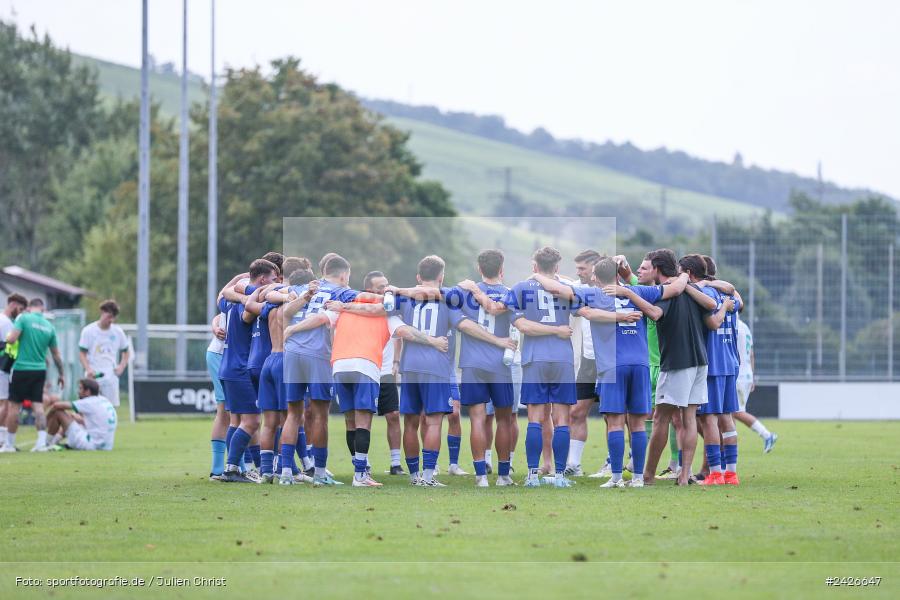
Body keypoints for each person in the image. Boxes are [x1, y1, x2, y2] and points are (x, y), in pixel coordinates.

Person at [588, 257, 686, 488]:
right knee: (639, 424)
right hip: (640, 364)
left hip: (612, 365)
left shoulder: (591, 295)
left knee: (614, 423)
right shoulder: (639, 291)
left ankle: (615, 478)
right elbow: (675, 289)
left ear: (597, 277)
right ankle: (639, 478)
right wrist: (684, 274)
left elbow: (563, 293)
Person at [506, 246, 584, 488]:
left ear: (534, 266)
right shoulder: (567, 289)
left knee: (534, 419)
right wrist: (558, 329)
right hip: (562, 359)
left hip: (535, 358)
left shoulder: (520, 288)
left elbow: (524, 327)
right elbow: (583, 310)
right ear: (557, 267)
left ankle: (532, 476)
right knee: (562, 419)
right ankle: (559, 476)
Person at [384, 255, 463, 487]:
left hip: (409, 364)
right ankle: (429, 476)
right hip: (437, 365)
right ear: (441, 276)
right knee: (434, 422)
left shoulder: (404, 299)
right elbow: (460, 324)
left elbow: (382, 309)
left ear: (418, 277)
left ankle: (413, 476)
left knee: (410, 422)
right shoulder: (449, 298)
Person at [641, 250, 717, 486]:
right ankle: (684, 475)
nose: (640, 271)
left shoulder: (666, 293)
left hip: (677, 362)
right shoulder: (693, 291)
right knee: (689, 417)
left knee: (660, 417)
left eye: (645, 267)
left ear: (657, 269)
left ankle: (648, 476)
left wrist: (630, 297)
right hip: (699, 361)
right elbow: (712, 310)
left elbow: (655, 314)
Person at [283, 255, 359, 486]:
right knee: (320, 416)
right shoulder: (342, 292)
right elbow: (371, 299)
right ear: (344, 275)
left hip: (291, 352)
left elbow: (280, 300)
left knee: (293, 414)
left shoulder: (301, 286)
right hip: (317, 355)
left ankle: (286, 474)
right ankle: (320, 474)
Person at [451, 250, 520, 486]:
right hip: (500, 364)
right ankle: (503, 475)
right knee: (504, 420)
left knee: (477, 419)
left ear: (479, 269)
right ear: (502, 268)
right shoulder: (511, 294)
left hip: (472, 363)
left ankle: (481, 476)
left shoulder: (464, 292)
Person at [217, 259, 278, 483]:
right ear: (262, 279)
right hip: (241, 368)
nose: (275, 282)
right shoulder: (248, 303)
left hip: (228, 366)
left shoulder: (230, 302)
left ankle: (235, 467)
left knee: (237, 422)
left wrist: (239, 282)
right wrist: (251, 294)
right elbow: (248, 314)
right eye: (273, 278)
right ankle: (232, 469)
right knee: (252, 422)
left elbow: (222, 294)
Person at [1, 298, 65, 453]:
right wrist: (62, 374)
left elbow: (11, 339)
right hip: (39, 370)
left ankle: (9, 444)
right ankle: (41, 443)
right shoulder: (49, 326)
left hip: (21, 368)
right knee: (38, 406)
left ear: (30, 307)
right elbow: (56, 355)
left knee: (14, 406)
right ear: (42, 309)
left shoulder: (24, 318)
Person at [563, 249, 603, 478]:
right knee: (577, 412)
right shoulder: (581, 289)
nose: (578, 273)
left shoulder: (612, 289)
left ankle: (613, 463)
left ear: (595, 268)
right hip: (588, 360)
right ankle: (574, 464)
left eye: (582, 269)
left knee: (614, 415)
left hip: (611, 360)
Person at [363, 271, 405, 475]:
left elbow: (398, 336)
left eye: (387, 285)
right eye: (381, 287)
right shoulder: (361, 310)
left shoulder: (392, 309)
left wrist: (396, 362)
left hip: (386, 371)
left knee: (393, 415)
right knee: (364, 417)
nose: (386, 289)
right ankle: (364, 462)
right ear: (370, 290)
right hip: (366, 370)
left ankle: (395, 463)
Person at [734, 316, 777, 452]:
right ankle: (729, 448)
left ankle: (767, 435)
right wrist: (751, 376)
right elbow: (751, 354)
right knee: (730, 415)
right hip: (746, 374)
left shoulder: (733, 327)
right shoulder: (745, 327)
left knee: (736, 412)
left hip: (738, 375)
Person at [78, 300, 129, 408]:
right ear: (102, 312)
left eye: (113, 317)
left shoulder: (118, 332)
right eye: (109, 316)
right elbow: (82, 353)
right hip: (92, 377)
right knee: (88, 407)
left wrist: (121, 367)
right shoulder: (88, 331)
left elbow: (126, 351)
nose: (111, 320)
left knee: (109, 409)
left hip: (110, 376)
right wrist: (88, 369)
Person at [45, 378, 117, 451]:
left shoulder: (89, 402)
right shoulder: (103, 400)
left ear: (88, 391)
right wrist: (76, 418)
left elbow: (56, 406)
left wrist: (45, 421)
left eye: (80, 389)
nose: (78, 392)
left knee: (58, 412)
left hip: (91, 444)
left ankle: (45, 444)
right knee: (73, 418)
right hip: (106, 446)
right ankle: (54, 442)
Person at [0, 293, 27, 448]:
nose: (21, 313)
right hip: (2, 368)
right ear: (13, 304)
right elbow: (9, 344)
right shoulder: (6, 323)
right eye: (21, 309)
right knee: (4, 403)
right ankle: (2, 440)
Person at [206, 309, 229, 480]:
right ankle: (220, 469)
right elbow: (221, 312)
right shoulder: (244, 290)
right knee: (226, 411)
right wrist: (215, 326)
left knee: (238, 413)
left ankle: (238, 465)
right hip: (221, 355)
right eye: (274, 278)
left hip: (235, 357)